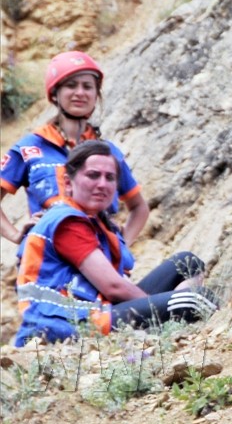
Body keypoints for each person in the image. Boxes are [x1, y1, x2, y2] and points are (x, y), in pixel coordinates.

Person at [13, 141, 217, 346]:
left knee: (186, 263)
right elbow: (114, 287)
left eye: (109, 177)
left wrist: (159, 306)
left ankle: (165, 332)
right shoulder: (68, 222)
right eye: (93, 175)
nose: (102, 184)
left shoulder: (95, 222)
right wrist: (157, 309)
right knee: (196, 300)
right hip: (65, 325)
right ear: (68, 182)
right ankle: (166, 334)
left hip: (95, 312)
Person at [2, 51, 149, 248]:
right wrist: (16, 236)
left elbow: (139, 207)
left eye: (87, 86)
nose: (80, 93)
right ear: (55, 94)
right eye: (71, 85)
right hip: (48, 258)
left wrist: (122, 247)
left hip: (101, 256)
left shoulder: (108, 153)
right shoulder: (31, 147)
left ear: (96, 95)